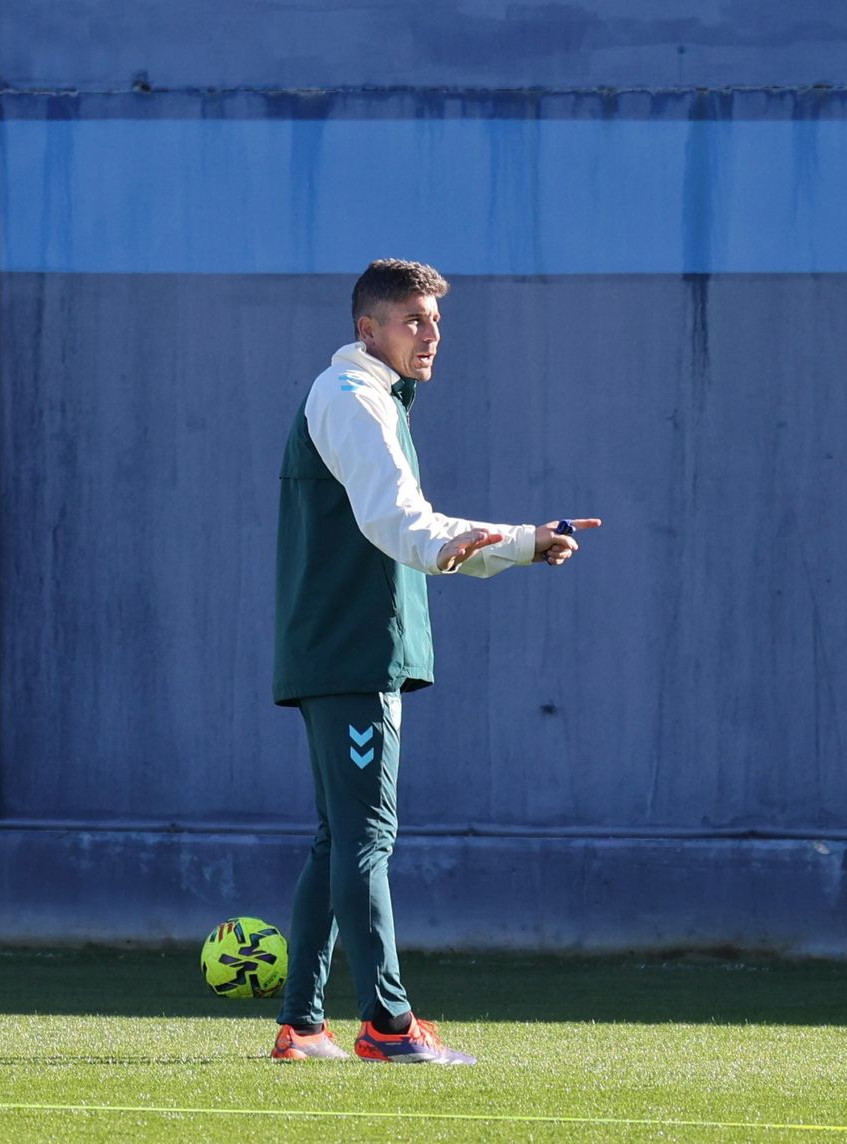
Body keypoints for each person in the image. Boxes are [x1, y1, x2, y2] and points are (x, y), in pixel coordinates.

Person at [270, 259, 600, 1065]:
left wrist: (520, 542)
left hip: (342, 649)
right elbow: (401, 517)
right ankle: (388, 1026)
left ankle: (301, 1026)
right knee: (365, 840)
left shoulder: (370, 400)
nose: (431, 335)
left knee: (337, 839)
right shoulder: (351, 398)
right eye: (414, 320)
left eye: (436, 322)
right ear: (368, 329)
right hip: (353, 651)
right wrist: (448, 543)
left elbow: (416, 522)